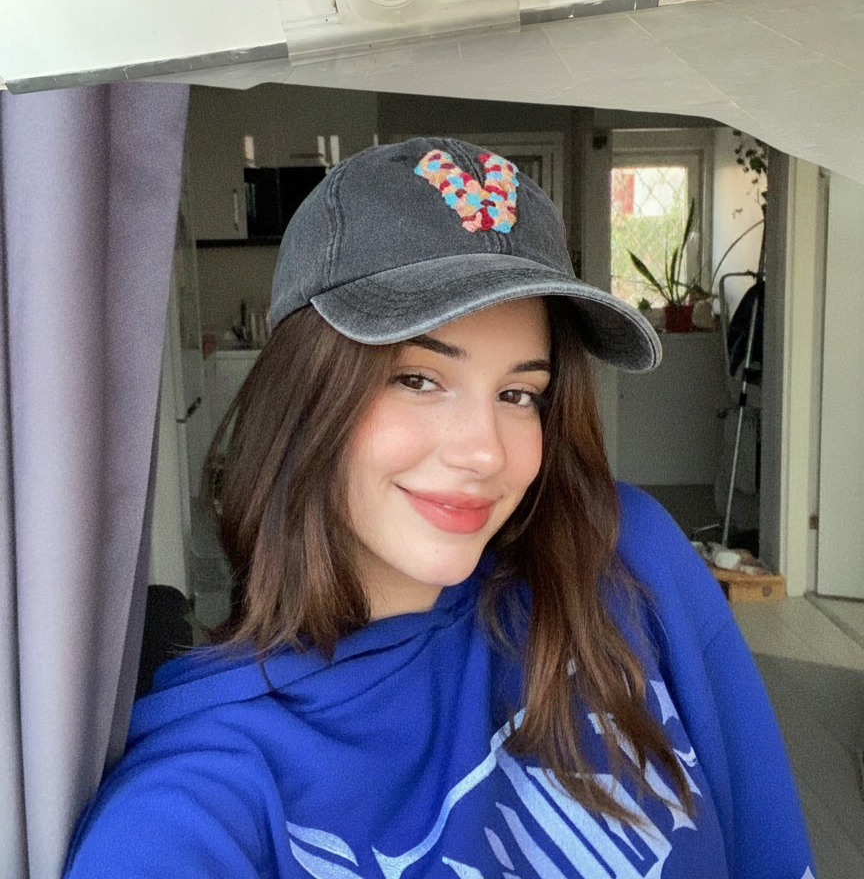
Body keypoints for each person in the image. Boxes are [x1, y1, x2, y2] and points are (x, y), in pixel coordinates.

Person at [64, 137, 815, 879]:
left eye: (519, 394)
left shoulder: (620, 554)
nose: (485, 451)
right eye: (418, 378)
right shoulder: (204, 796)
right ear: (304, 395)